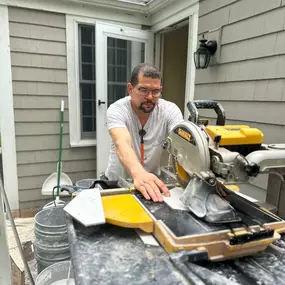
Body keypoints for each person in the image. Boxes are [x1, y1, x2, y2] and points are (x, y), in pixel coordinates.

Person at [104, 63, 184, 202]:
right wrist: (139, 173)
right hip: (116, 186)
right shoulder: (117, 110)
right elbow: (121, 143)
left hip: (150, 186)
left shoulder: (170, 110)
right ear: (130, 88)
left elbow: (182, 140)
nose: (150, 97)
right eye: (143, 90)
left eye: (155, 91)